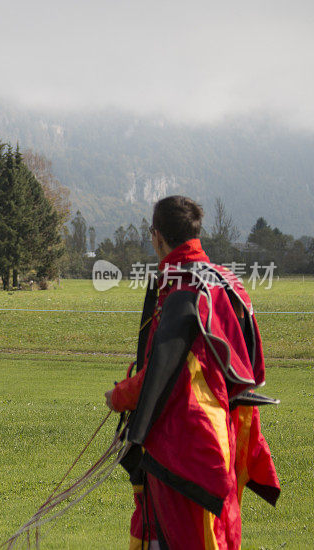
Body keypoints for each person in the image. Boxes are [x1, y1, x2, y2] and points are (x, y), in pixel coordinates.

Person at [104, 196, 279, 549]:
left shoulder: (183, 291)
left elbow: (164, 374)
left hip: (184, 451)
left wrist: (119, 396)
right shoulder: (224, 284)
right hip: (223, 439)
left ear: (157, 236)